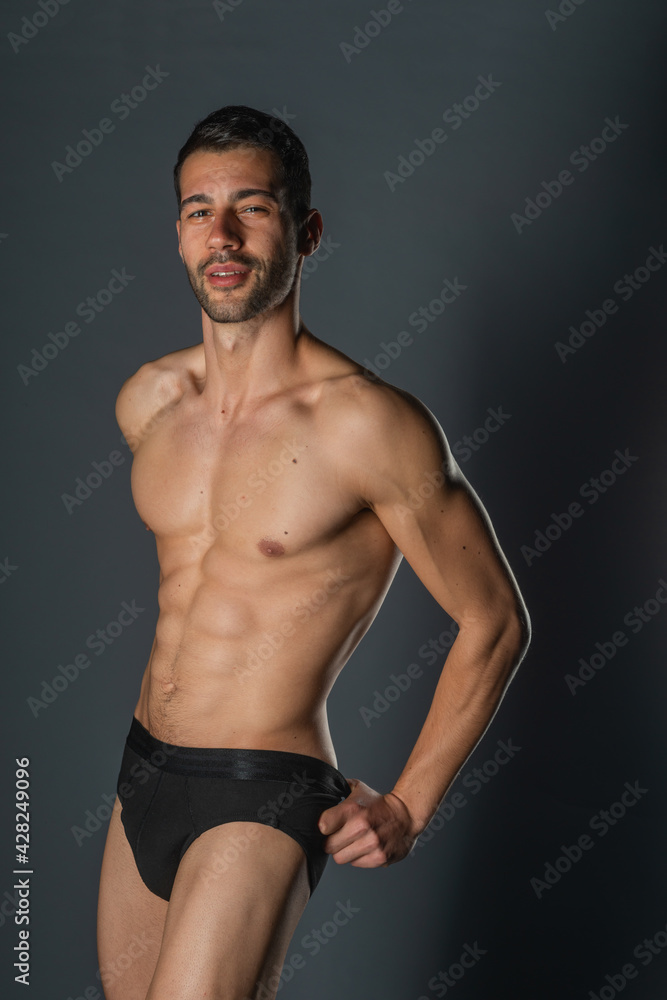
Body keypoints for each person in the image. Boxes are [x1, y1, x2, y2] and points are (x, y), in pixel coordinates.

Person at [96, 104, 530, 1000]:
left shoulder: (369, 425)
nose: (220, 233)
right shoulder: (147, 404)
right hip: (142, 772)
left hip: (261, 788)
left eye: (251, 207)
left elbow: (494, 620)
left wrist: (407, 804)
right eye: (196, 210)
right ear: (177, 234)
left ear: (307, 231)